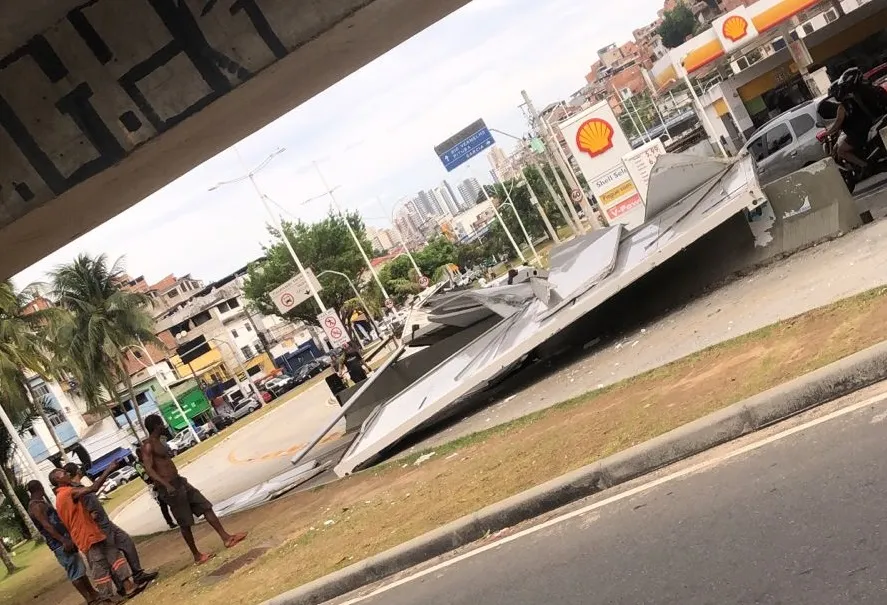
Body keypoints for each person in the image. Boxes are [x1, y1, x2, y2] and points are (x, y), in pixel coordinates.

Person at [140, 414, 246, 565]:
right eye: (162, 424)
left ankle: (227, 538)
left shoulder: (160, 442)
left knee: (205, 506)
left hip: (180, 482)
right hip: (170, 488)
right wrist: (167, 485)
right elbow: (149, 470)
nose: (164, 426)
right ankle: (197, 555)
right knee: (185, 523)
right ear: (156, 426)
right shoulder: (148, 446)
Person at [50, 464, 148, 601]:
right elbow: (93, 488)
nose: (67, 475)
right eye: (63, 474)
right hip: (86, 536)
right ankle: (106, 598)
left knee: (114, 556)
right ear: (58, 480)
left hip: (94, 531)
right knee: (99, 567)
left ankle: (128, 586)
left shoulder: (64, 494)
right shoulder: (67, 493)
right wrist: (108, 469)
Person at [27, 481, 103, 605]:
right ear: (39, 488)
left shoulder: (40, 503)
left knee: (80, 569)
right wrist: (63, 540)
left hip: (66, 539)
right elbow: (47, 526)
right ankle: (89, 599)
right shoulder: (36, 506)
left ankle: (93, 593)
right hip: (59, 543)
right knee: (75, 571)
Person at [133, 447, 177, 529]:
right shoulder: (138, 464)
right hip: (153, 485)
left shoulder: (147, 460)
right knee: (163, 504)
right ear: (138, 455)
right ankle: (170, 522)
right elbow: (145, 476)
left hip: (160, 481)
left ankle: (178, 517)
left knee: (172, 500)